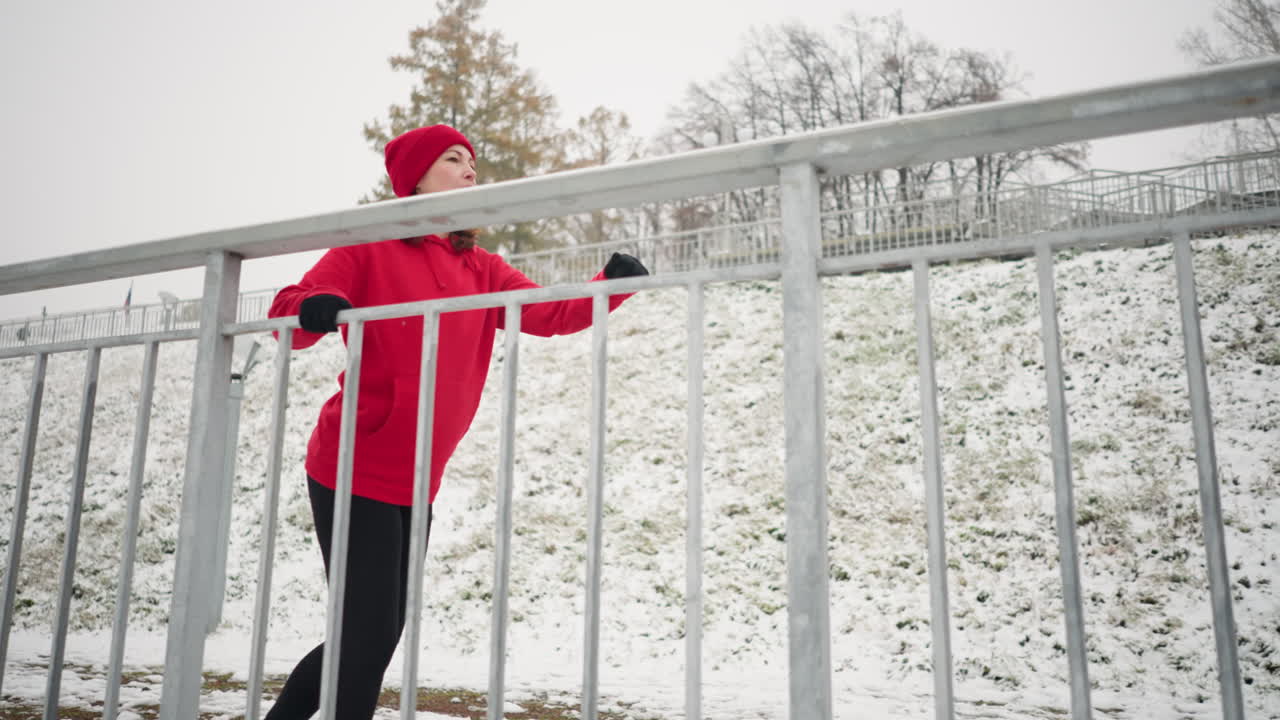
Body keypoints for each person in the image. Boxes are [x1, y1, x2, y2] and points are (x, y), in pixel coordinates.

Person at [264, 124, 647, 719]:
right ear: (415, 178)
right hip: (352, 464)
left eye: (473, 161)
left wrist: (609, 286)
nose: (470, 171)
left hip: (418, 477)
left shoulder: (482, 268)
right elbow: (293, 307)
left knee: (374, 632)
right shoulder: (371, 246)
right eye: (453, 159)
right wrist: (312, 308)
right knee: (365, 632)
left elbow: (546, 312)